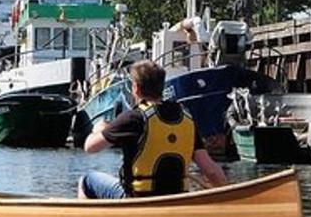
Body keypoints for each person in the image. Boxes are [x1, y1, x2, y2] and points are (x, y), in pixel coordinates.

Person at [79, 60, 228, 199]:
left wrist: (98, 129)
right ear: (161, 87)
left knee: (86, 180)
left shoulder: (132, 118)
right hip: (176, 199)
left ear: (136, 88)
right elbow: (211, 170)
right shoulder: (187, 120)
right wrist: (230, 197)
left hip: (136, 198)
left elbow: (90, 147)